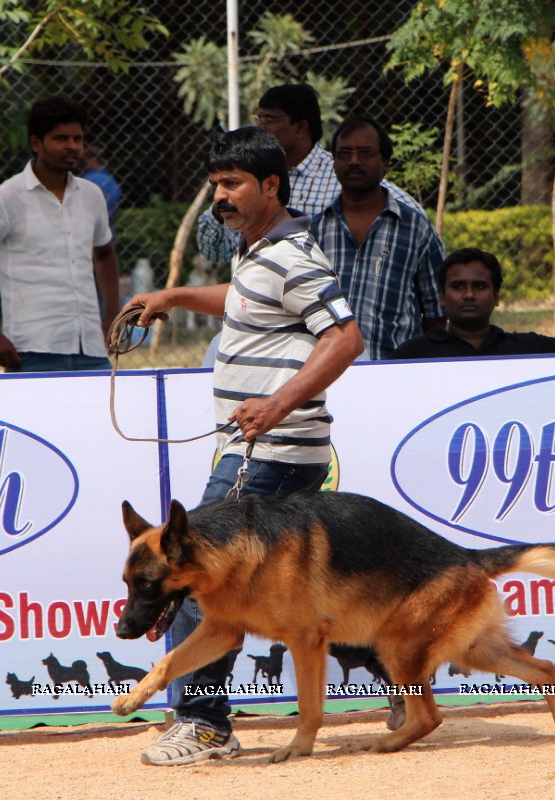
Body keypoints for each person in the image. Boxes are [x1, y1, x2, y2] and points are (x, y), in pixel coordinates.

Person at [129, 126, 364, 766]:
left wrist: (279, 402)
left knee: (188, 573)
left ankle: (204, 724)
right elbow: (243, 302)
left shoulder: (294, 256)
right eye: (215, 187)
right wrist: (173, 296)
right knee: (286, 599)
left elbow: (345, 338)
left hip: (274, 450)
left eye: (232, 185)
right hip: (266, 450)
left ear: (270, 185)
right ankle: (398, 682)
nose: (221, 198)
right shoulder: (256, 249)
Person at [0, 97, 120, 372]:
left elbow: (105, 252)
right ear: (36, 143)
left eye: (77, 138)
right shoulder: (5, 198)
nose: (72, 146)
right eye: (61, 138)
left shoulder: (92, 195)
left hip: (91, 349)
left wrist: (112, 314)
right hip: (31, 350)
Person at [196, 83, 422, 263]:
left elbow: (413, 222)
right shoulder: (248, 182)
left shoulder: (342, 180)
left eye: (270, 120)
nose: (260, 128)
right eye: (259, 119)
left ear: (300, 127)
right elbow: (216, 253)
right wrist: (224, 203)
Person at [312, 115, 444, 359]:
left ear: (385, 162)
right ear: (334, 162)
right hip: (324, 371)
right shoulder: (315, 230)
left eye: (365, 153)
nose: (354, 161)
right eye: (344, 153)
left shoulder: (416, 228)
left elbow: (436, 314)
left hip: (395, 372)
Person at [392, 248, 555, 359]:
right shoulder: (413, 355)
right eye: (458, 286)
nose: (468, 295)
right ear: (441, 297)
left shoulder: (527, 348)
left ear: (496, 297)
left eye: (480, 287)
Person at [80, 143, 123, 226]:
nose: (82, 165)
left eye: (83, 161)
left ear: (92, 160)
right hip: (109, 228)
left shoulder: (89, 179)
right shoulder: (111, 180)